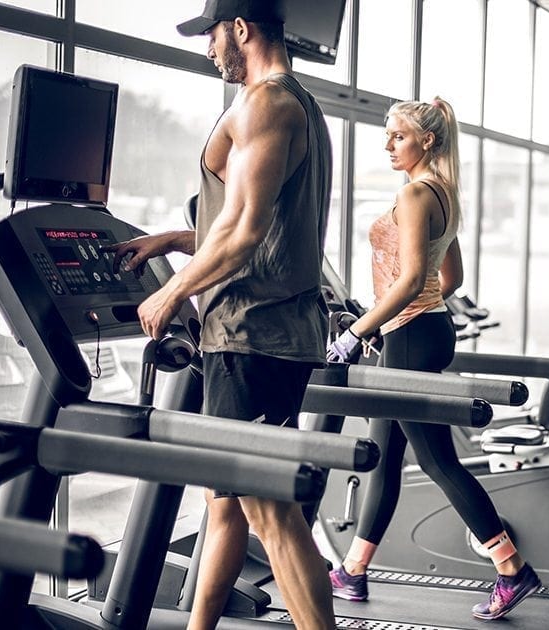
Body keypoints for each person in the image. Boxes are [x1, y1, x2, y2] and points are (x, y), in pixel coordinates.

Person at [106, 1, 334, 628]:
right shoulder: (301, 106)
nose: (207, 49)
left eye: (210, 34)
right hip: (269, 332)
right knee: (231, 503)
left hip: (253, 334)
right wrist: (176, 240)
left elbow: (245, 230)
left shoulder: (264, 104)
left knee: (269, 510)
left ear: (241, 28)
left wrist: (172, 292)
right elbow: (249, 222)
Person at [325, 98, 541, 621]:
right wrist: (407, 314)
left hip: (407, 337)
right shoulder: (444, 193)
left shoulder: (416, 194)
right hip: (422, 329)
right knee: (383, 455)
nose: (387, 144)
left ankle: (511, 568)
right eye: (387, 133)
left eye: (397, 135)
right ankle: (353, 570)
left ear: (426, 141)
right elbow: (451, 279)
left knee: (436, 460)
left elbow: (408, 277)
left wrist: (359, 330)